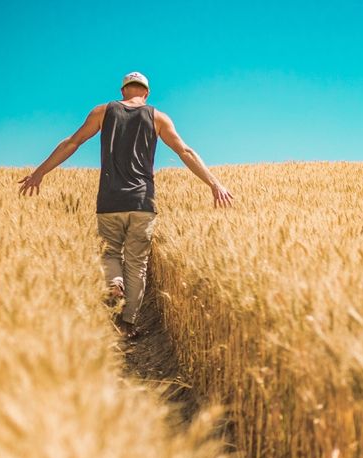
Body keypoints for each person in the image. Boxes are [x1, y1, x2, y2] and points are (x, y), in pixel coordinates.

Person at [18, 71, 233, 339]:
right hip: (142, 202)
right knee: (137, 264)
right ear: (146, 93)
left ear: (123, 91)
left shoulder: (102, 111)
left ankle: (114, 283)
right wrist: (215, 184)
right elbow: (185, 152)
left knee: (109, 255)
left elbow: (72, 142)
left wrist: (40, 172)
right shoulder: (158, 117)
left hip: (109, 200)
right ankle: (128, 323)